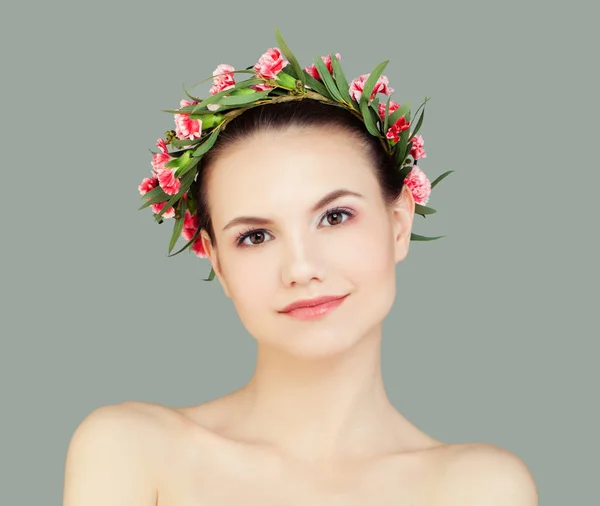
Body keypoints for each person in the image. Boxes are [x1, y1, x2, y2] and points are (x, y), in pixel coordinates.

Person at [62, 32, 538, 506]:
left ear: (398, 225)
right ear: (217, 261)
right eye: (255, 236)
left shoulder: (479, 487)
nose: (302, 268)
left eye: (335, 217)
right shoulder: (132, 451)